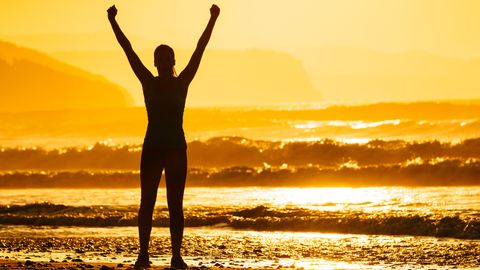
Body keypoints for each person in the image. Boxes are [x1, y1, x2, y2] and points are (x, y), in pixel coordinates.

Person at [107, 4, 220, 269]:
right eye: (160, 58)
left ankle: (176, 255)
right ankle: (143, 254)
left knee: (175, 204)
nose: (165, 62)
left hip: (176, 149)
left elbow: (200, 49)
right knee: (147, 201)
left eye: (168, 58)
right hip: (153, 148)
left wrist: (213, 19)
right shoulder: (148, 82)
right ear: (156, 63)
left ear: (173, 62)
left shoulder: (183, 82)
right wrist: (113, 22)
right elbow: (128, 50)